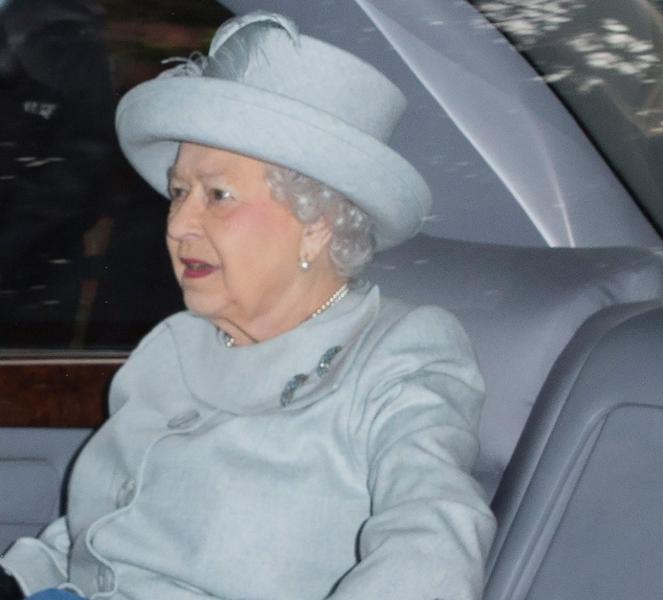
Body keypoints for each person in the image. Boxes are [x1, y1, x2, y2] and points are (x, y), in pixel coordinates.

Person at [0, 11, 495, 600]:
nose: (179, 223)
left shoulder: (401, 351)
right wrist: (22, 577)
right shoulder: (175, 344)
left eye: (218, 195)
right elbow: (105, 524)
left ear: (316, 222)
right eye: (179, 192)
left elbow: (434, 535)